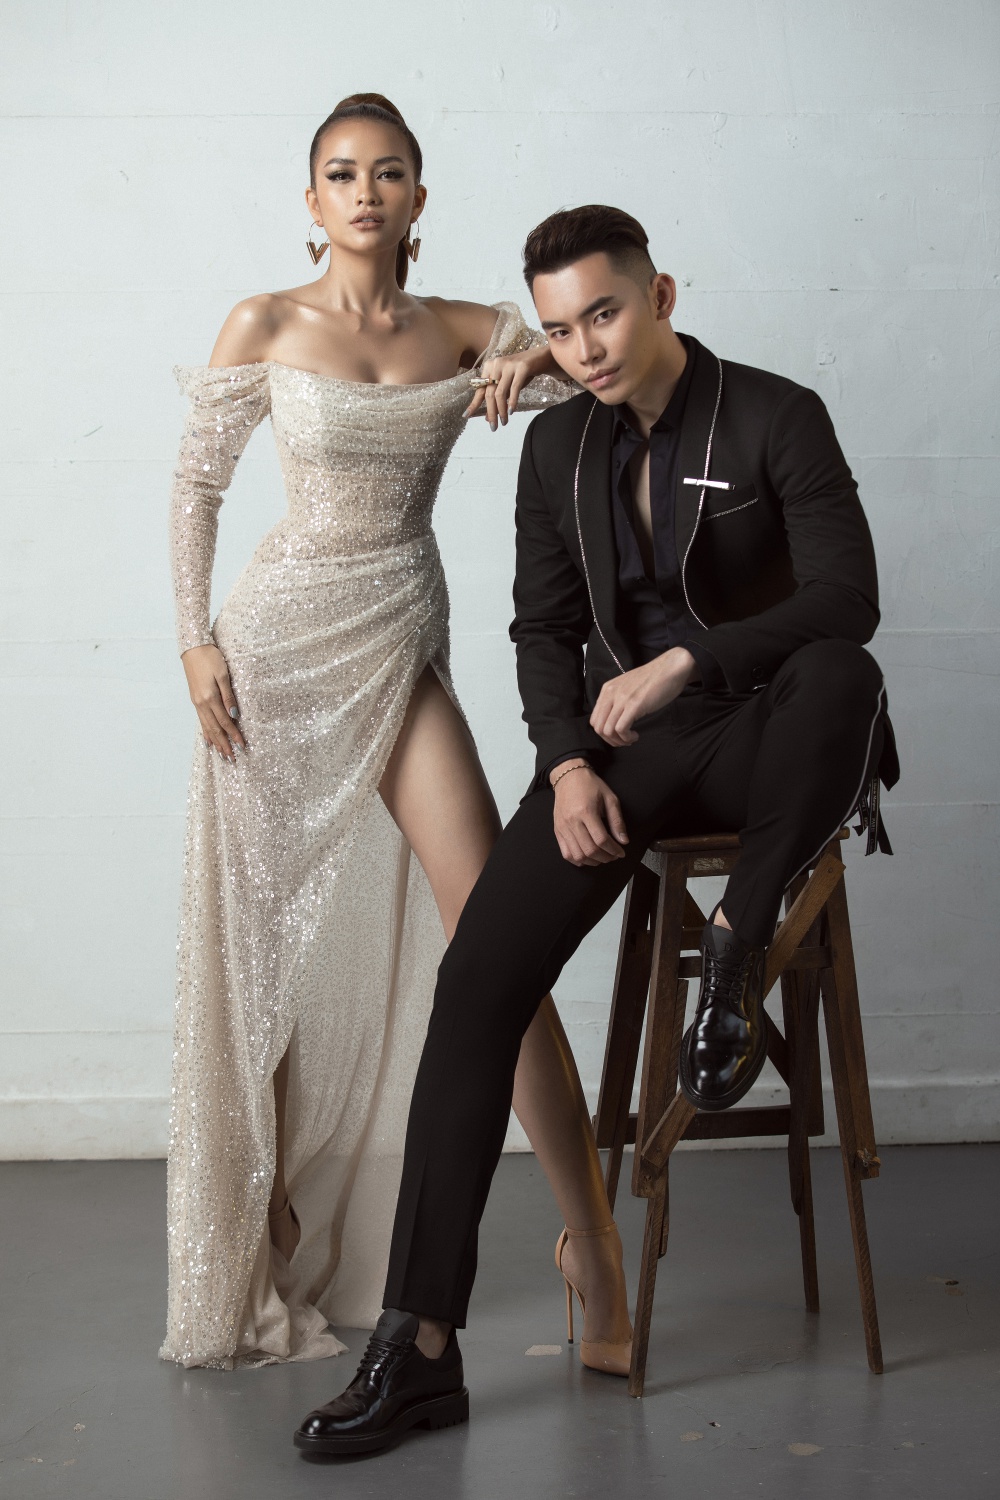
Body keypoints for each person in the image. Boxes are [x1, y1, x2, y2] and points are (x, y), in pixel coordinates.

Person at [294, 203, 899, 1455]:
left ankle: (737, 937)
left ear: (660, 295)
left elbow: (850, 597)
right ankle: (418, 1347)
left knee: (842, 672)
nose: (585, 349)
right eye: (560, 330)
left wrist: (690, 661)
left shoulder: (776, 414)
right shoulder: (556, 445)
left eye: (605, 314)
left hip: (769, 738)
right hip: (622, 763)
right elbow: (542, 631)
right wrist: (566, 766)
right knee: (476, 981)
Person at [162, 102, 634, 1371]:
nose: (364, 191)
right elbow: (196, 483)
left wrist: (530, 367)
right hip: (270, 656)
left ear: (419, 198)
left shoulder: (470, 328)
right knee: (262, 958)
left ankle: (593, 1246)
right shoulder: (265, 323)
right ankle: (256, 1236)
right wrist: (194, 640)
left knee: (495, 941)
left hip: (397, 640)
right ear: (310, 201)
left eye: (388, 173)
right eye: (341, 174)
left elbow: (594, 376)